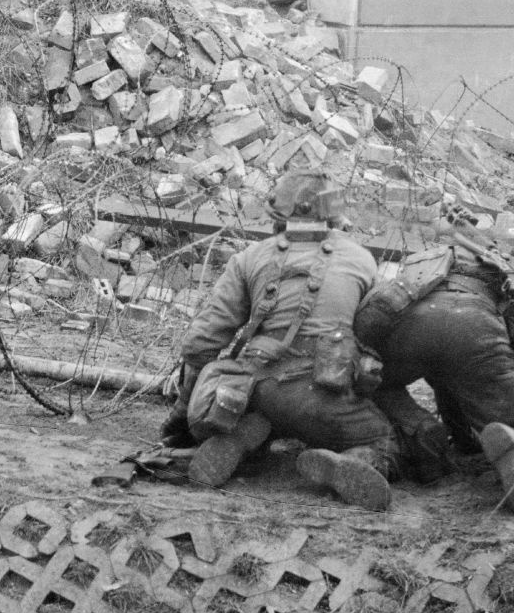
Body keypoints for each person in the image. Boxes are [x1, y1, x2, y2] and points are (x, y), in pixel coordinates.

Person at [161, 170, 403, 511]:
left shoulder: (249, 257)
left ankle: (245, 437)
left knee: (266, 415)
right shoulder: (361, 259)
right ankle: (355, 460)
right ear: (333, 214)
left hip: (252, 389)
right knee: (382, 438)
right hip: (322, 393)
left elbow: (202, 342)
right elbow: (371, 332)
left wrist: (180, 421)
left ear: (282, 213)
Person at [364, 223, 514, 518]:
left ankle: (421, 433)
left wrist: (463, 434)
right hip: (473, 329)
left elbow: (445, 371)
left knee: (378, 385)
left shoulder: (444, 253)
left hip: (407, 327)